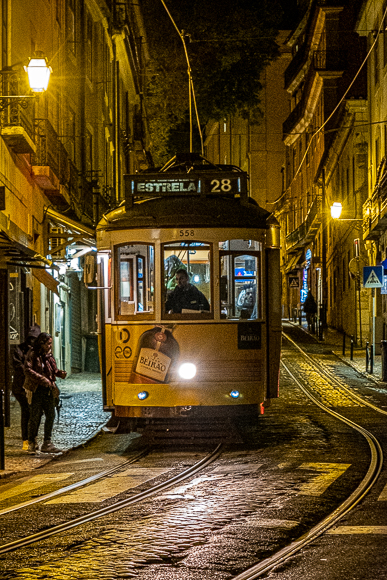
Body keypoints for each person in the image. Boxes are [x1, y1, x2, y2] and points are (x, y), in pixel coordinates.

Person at [23, 332, 67, 454]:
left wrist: (59, 373)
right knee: (35, 416)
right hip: (36, 389)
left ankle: (47, 442)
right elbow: (27, 370)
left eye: (51, 344)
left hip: (48, 389)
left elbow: (53, 370)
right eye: (48, 344)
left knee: (51, 415)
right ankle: (32, 442)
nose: (50, 346)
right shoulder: (32, 354)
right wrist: (42, 379)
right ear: (41, 343)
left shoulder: (49, 355)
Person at [12, 324, 41, 451]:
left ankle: (32, 438)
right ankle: (27, 439)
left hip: (34, 386)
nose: (32, 341)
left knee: (34, 412)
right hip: (22, 386)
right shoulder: (20, 349)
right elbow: (18, 366)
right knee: (27, 411)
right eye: (31, 338)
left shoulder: (38, 351)